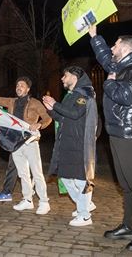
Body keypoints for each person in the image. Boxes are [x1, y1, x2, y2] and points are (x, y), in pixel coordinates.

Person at [89, 25, 132, 251]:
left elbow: (125, 96)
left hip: (131, 133)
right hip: (118, 131)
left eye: (115, 44)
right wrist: (94, 36)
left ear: (126, 48)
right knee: (125, 183)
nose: (111, 47)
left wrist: (108, 81)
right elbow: (107, 60)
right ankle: (129, 226)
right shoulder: (123, 65)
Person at [0, 77, 52, 214]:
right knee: (22, 173)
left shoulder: (34, 103)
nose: (19, 87)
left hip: (30, 141)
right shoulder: (12, 102)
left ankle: (44, 202)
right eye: (17, 85)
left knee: (36, 172)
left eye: (22, 86)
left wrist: (39, 124)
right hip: (15, 142)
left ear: (28, 89)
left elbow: (47, 118)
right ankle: (27, 200)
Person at [42, 66, 97, 226]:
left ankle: (85, 214)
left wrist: (55, 104)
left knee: (80, 179)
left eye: (65, 76)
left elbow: (75, 113)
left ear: (74, 77)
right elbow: (63, 117)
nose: (62, 79)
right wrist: (51, 109)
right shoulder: (71, 95)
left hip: (79, 143)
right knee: (64, 176)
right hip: (67, 142)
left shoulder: (85, 94)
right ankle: (85, 204)